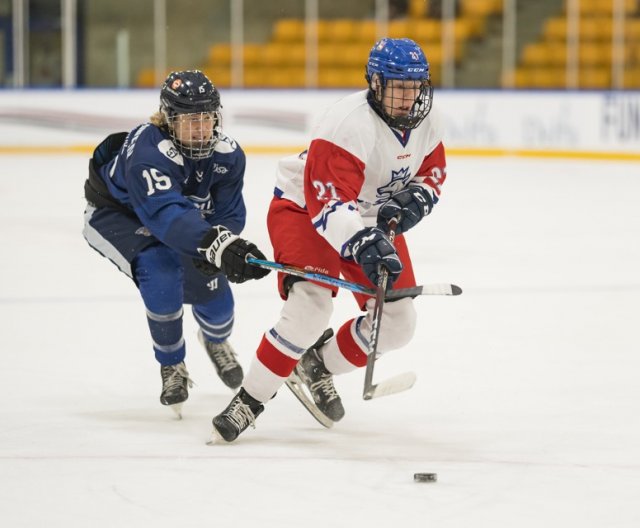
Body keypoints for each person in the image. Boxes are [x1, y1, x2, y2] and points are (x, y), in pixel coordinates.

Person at [210, 38, 447, 442]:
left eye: (415, 87)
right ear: (375, 82)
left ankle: (316, 366)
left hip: (368, 215)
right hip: (306, 208)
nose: (409, 98)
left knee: (398, 324)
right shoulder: (346, 124)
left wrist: (416, 199)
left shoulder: (428, 120)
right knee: (310, 310)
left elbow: (432, 173)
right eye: (398, 87)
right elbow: (328, 206)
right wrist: (363, 243)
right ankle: (248, 400)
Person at [82, 70, 270, 416]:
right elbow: (165, 216)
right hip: (118, 217)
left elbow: (229, 212)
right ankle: (171, 365)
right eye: (190, 120)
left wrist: (221, 241)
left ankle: (215, 340)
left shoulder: (228, 156)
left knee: (215, 300)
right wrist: (208, 242)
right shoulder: (147, 151)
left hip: (180, 222)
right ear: (169, 119)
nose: (201, 129)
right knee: (162, 272)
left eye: (207, 118)